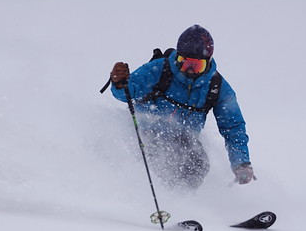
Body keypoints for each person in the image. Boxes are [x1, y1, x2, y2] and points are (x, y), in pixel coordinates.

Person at [109, 25, 255, 190]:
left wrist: (241, 163)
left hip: (181, 141)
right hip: (144, 133)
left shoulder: (217, 87)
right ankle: (135, 199)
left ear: (208, 62)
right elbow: (127, 93)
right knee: (150, 159)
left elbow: (233, 127)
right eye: (184, 63)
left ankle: (180, 204)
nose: (190, 71)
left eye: (197, 65)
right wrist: (119, 83)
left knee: (198, 163)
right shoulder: (160, 69)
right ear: (177, 57)